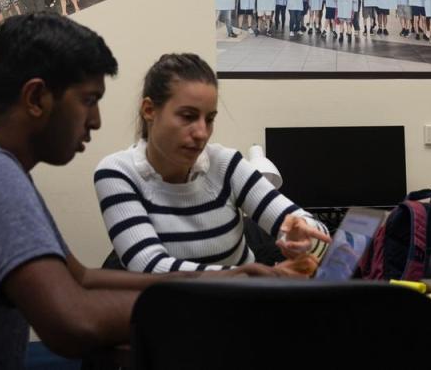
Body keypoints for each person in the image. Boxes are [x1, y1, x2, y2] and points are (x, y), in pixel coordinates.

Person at [0, 16, 285, 368]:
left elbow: (80, 277)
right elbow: (73, 322)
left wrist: (228, 279)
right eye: (88, 100)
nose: (98, 120)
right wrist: (236, 301)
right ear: (36, 98)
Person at [94, 53, 330, 273]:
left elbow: (318, 234)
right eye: (188, 116)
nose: (201, 133)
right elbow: (150, 267)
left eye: (209, 119)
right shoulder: (117, 173)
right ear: (149, 110)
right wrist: (259, 277)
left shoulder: (226, 164)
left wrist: (304, 238)